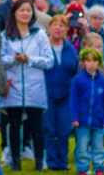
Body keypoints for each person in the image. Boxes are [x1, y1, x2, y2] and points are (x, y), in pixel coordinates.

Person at [0, 0, 54, 171]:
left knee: (36, 126)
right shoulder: (5, 35)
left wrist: (30, 59)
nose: (25, 14)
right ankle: (15, 162)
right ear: (14, 12)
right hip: (13, 86)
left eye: (28, 10)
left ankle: (39, 161)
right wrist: (12, 60)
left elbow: (49, 61)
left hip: (34, 87)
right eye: (21, 10)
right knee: (14, 125)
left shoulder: (40, 34)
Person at [44, 15, 78, 171]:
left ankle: (62, 162)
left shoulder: (70, 49)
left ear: (66, 30)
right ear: (49, 28)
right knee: (49, 129)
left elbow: (76, 70)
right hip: (46, 95)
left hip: (66, 96)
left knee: (64, 130)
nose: (58, 28)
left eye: (61, 25)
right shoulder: (43, 46)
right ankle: (51, 162)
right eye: (55, 25)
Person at [71, 48, 104, 175]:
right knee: (82, 146)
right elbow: (74, 100)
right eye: (88, 61)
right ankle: (83, 168)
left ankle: (99, 167)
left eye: (94, 61)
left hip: (98, 120)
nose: (92, 64)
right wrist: (74, 117)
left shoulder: (102, 81)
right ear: (83, 63)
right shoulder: (78, 80)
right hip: (82, 120)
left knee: (99, 146)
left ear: (99, 63)